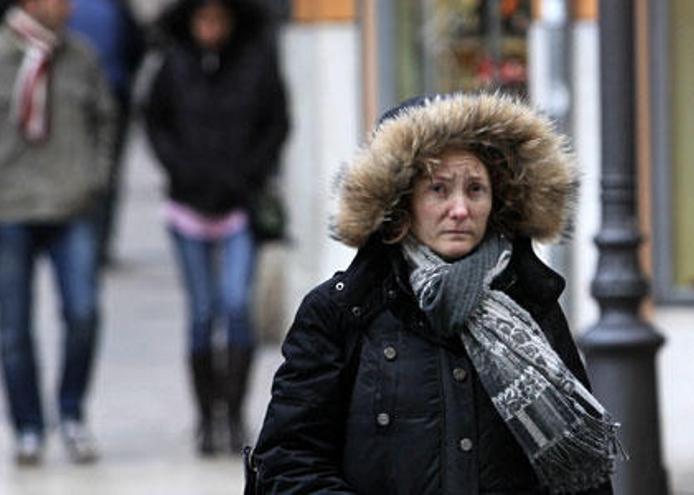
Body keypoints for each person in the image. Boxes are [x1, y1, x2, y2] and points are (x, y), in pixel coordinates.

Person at [251, 93, 621, 494]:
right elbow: (288, 461)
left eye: (475, 189)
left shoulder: (532, 305)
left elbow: (583, 482)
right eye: (439, 189)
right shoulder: (342, 311)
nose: (460, 209)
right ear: (400, 202)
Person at [0, 0, 116, 465]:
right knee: (14, 327)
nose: (65, 7)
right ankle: (27, 426)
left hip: (71, 203)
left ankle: (71, 413)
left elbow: (107, 120)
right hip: (9, 205)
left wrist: (96, 177)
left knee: (84, 312)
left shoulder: (81, 56)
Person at [143, 0, 289, 456]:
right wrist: (179, 168)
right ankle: (207, 419)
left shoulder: (256, 63)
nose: (210, 29)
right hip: (187, 205)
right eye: (202, 20)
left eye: (218, 20)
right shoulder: (175, 64)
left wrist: (252, 173)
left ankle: (233, 411)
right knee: (204, 310)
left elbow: (277, 123)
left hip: (239, 204)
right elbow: (154, 121)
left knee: (234, 305)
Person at [67, 0, 145, 268]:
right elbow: (136, 47)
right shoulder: (114, 7)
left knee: (74, 165)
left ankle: (78, 239)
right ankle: (98, 243)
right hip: (113, 92)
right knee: (108, 171)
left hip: (72, 97)